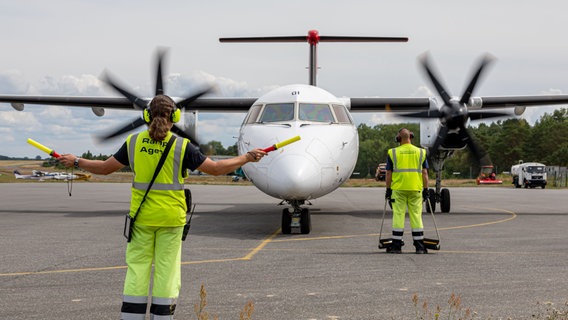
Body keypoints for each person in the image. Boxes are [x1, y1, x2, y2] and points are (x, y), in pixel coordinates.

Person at [59, 94, 267, 319]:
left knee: (137, 270)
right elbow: (216, 169)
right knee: (167, 272)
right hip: (171, 219)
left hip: (142, 219)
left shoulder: (134, 142)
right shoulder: (182, 146)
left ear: (146, 116)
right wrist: (245, 158)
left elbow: (103, 168)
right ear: (175, 117)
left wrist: (77, 161)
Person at [384, 128, 429, 254]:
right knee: (416, 216)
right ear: (411, 137)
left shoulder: (393, 152)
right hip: (416, 189)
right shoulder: (421, 152)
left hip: (398, 190)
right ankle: (419, 246)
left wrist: (388, 189)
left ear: (398, 138)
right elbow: (425, 173)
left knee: (398, 215)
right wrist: (426, 189)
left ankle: (397, 246)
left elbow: (388, 173)